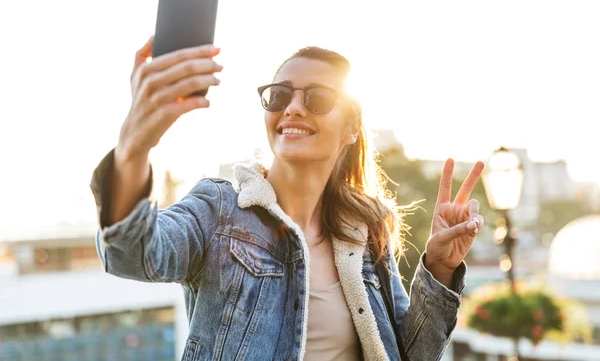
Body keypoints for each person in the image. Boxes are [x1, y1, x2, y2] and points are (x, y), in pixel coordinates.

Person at [90, 36, 485, 361]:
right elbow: (132, 253)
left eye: (317, 98)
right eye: (280, 96)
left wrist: (438, 268)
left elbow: (410, 355)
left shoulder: (365, 234)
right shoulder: (219, 211)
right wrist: (134, 147)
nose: (293, 108)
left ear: (350, 129)